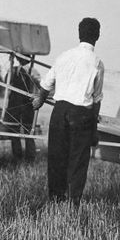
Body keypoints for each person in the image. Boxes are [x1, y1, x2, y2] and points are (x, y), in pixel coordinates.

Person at [32, 18, 104, 207]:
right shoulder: (96, 62)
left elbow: (46, 84)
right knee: (78, 159)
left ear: (79, 34)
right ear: (97, 35)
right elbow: (96, 99)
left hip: (59, 111)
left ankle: (55, 200)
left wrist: (39, 100)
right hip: (81, 113)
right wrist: (93, 128)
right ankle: (73, 203)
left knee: (56, 157)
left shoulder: (63, 56)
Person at [4, 63, 39, 162]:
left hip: (27, 103)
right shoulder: (13, 69)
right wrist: (9, 72)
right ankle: (17, 157)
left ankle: (30, 158)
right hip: (14, 103)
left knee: (29, 130)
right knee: (13, 129)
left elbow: (39, 84)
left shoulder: (33, 71)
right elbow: (6, 82)